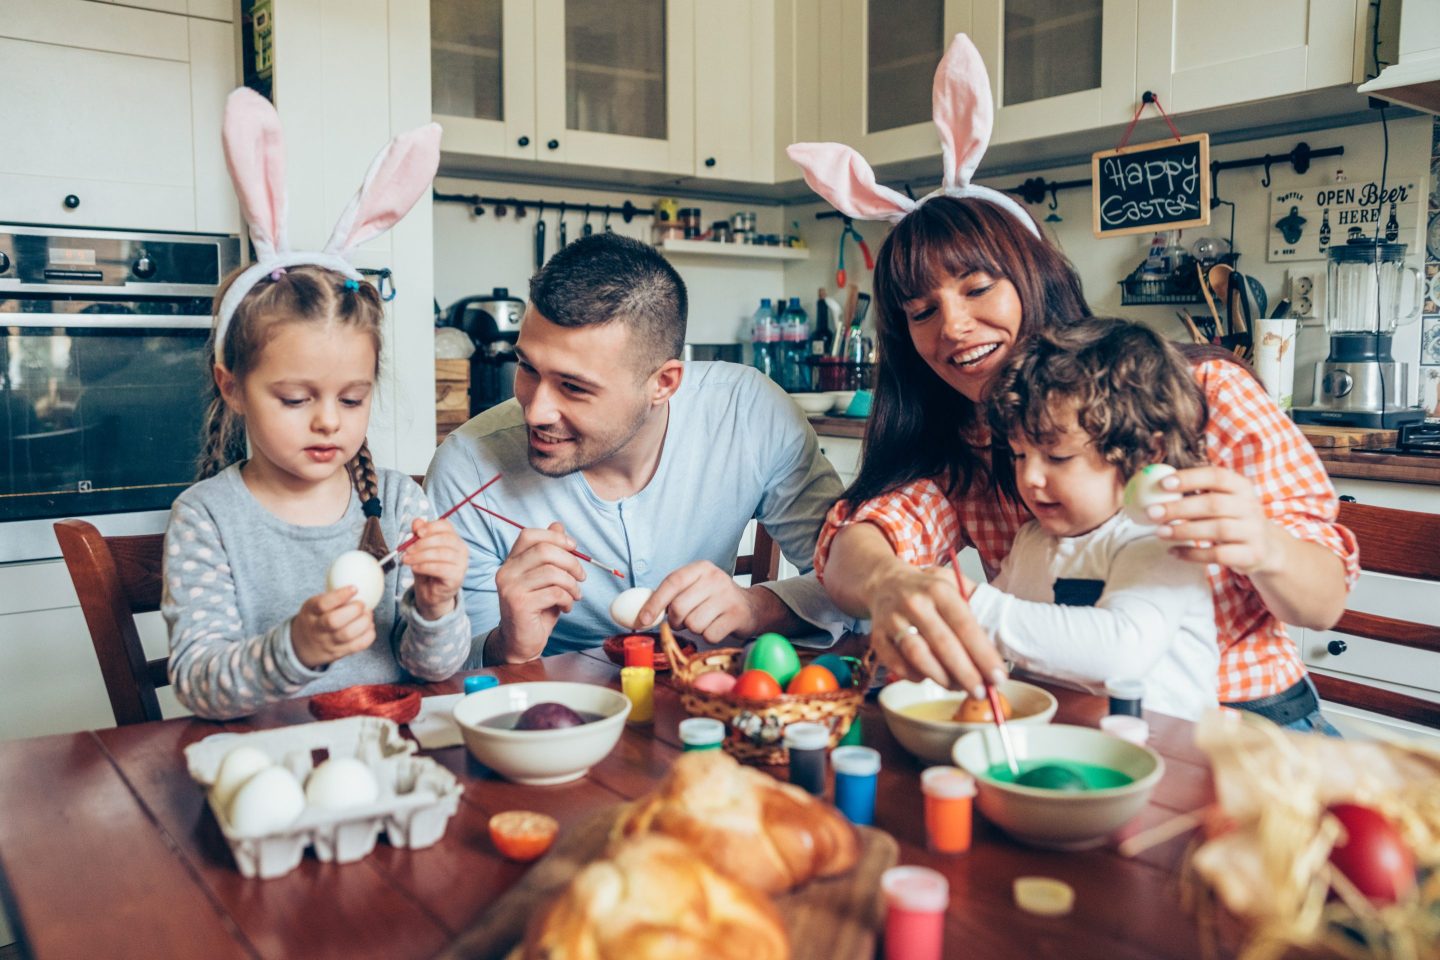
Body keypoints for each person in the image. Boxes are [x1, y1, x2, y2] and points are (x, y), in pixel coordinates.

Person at [788, 34, 1355, 733]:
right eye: (922, 312)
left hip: (1250, 726)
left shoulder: (1201, 392)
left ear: (1036, 279)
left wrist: (1263, 544)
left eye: (977, 288)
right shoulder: (964, 437)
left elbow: (1322, 604)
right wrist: (892, 583)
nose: (954, 327)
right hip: (1079, 726)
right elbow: (857, 547)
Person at [162, 89, 470, 720]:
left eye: (352, 398)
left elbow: (433, 670)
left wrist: (438, 605)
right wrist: (295, 648)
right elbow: (197, 684)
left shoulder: (398, 500)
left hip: (393, 757)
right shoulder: (207, 518)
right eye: (297, 398)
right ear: (232, 387)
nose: (329, 419)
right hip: (267, 764)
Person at [426, 232, 850, 665]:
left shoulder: (747, 414)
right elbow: (447, 673)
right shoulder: (469, 468)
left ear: (663, 384)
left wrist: (755, 608)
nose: (535, 412)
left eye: (573, 387)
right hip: (549, 712)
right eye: (528, 368)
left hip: (704, 700)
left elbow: (854, 584)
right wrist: (508, 643)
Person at [958, 317, 1219, 720]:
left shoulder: (1161, 540)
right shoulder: (1033, 541)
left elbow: (1120, 652)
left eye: (1058, 457)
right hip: (1060, 741)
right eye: (1019, 454)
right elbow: (983, 636)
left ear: (1146, 453)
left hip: (1164, 756)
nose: (1030, 477)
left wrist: (973, 603)